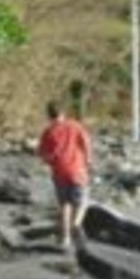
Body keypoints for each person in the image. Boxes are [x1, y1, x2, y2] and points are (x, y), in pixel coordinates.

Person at [38, 101, 94, 250]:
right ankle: (76, 224)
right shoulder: (75, 125)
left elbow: (42, 154)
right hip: (77, 169)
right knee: (82, 202)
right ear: (63, 112)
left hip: (59, 172)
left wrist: (50, 161)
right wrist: (88, 160)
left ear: (49, 114)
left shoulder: (48, 131)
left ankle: (66, 238)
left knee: (65, 205)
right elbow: (86, 142)